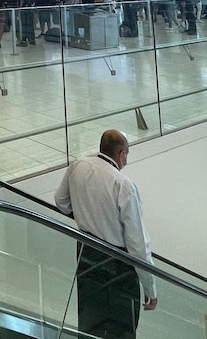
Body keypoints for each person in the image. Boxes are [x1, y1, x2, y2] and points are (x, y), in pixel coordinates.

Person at [55, 130, 157, 339]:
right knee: (121, 325)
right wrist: (150, 287)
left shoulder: (78, 166)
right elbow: (137, 244)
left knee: (90, 315)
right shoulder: (123, 185)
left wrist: (86, 216)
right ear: (122, 155)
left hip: (85, 253)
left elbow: (61, 201)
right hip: (118, 263)